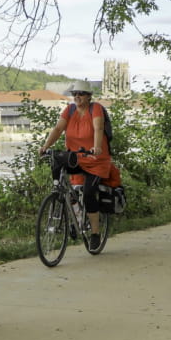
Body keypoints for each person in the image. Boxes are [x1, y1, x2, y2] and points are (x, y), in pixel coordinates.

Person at [37, 80, 113, 251]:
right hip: (76, 158)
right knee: (59, 167)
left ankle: (94, 233)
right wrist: (45, 147)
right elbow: (57, 129)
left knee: (88, 193)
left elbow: (98, 128)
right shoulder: (70, 110)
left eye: (81, 94)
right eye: (74, 94)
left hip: (95, 160)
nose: (77, 97)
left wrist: (97, 147)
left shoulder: (96, 109)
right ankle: (74, 214)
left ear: (88, 96)